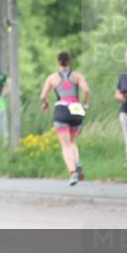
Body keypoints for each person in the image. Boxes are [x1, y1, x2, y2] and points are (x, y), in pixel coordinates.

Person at [40, 52, 92, 186]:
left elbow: (42, 96)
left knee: (65, 145)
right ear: (70, 62)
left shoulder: (52, 78)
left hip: (62, 108)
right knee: (73, 142)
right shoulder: (77, 76)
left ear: (58, 62)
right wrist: (85, 104)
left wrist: (45, 103)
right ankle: (77, 163)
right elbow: (86, 91)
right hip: (76, 109)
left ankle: (73, 172)